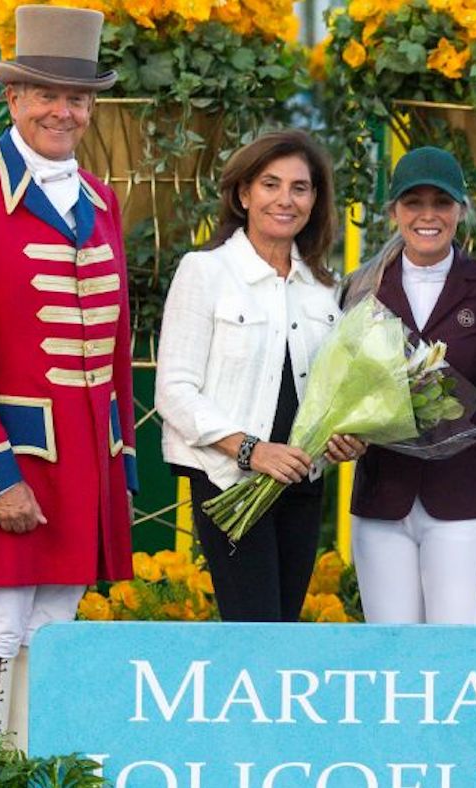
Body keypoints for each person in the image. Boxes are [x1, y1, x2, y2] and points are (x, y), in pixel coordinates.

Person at [0, 5, 137, 752]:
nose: (61, 111)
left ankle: (32, 768)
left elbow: (116, 349)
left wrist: (119, 463)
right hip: (9, 458)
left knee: (55, 627)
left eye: (75, 97)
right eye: (45, 93)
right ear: (13, 100)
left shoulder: (103, 201)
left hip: (82, 462)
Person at [155, 130, 364, 622]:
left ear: (315, 200)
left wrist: (349, 437)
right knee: (254, 628)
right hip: (231, 481)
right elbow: (174, 390)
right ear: (244, 194)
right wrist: (252, 450)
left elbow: (329, 394)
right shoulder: (205, 271)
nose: (285, 199)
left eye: (300, 187)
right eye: (270, 184)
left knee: (284, 629)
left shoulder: (323, 289)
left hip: (301, 484)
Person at [342, 147, 476, 624]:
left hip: (463, 501)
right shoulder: (360, 288)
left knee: (457, 654)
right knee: (393, 660)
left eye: (442, 202)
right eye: (413, 202)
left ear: (462, 208)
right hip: (382, 501)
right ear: (393, 210)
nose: (428, 215)